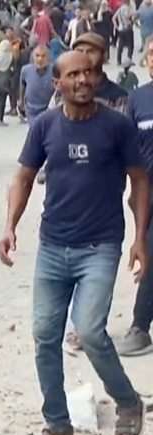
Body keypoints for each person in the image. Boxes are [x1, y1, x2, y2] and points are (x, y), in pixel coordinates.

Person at [0, 51, 149, 435]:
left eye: (89, 72)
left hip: (100, 246)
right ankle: (58, 425)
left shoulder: (117, 126)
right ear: (57, 83)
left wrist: (140, 238)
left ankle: (128, 400)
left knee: (90, 330)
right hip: (52, 247)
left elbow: (139, 180)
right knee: (45, 337)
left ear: (97, 78)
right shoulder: (45, 126)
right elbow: (23, 177)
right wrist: (10, 226)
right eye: (73, 74)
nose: (82, 80)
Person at [117, 37, 153, 355]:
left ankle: (140, 326)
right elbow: (126, 148)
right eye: (151, 54)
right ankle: (140, 327)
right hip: (146, 192)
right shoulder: (137, 98)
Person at [72, 32, 130, 111]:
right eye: (79, 52)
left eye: (90, 51)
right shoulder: (65, 91)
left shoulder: (118, 96)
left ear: (104, 56)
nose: (84, 56)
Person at [20, 44, 57, 124]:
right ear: (33, 57)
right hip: (31, 110)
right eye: (37, 56)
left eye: (43, 56)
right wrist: (21, 102)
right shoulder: (26, 70)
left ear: (48, 58)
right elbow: (22, 86)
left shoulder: (54, 70)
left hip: (49, 110)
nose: (40, 59)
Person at [0, 39, 16, 125]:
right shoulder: (11, 57)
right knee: (3, 99)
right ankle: (1, 119)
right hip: (6, 81)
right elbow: (13, 69)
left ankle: (0, 116)